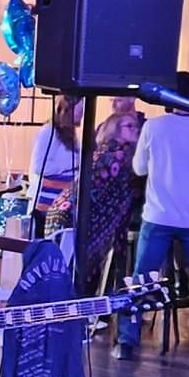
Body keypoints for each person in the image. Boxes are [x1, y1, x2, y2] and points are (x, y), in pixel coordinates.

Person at [114, 70, 189, 370]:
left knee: (141, 278)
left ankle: (126, 341)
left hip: (159, 215)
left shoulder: (154, 127)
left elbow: (138, 168)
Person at [46, 110, 142, 294]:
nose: (135, 130)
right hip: (72, 217)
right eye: (129, 126)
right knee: (70, 274)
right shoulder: (115, 155)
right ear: (114, 129)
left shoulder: (110, 154)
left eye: (136, 126)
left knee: (69, 273)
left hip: (71, 216)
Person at [27, 94, 83, 233]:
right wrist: (71, 163)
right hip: (46, 207)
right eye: (80, 107)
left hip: (62, 205)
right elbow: (39, 166)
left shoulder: (71, 134)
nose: (82, 112)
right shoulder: (49, 131)